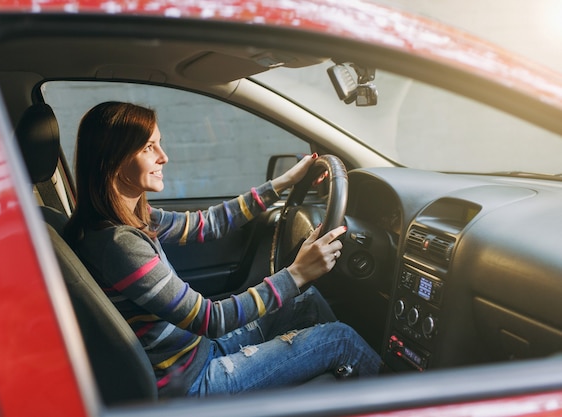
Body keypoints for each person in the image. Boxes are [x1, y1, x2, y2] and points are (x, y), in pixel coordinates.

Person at [64, 101, 382, 398]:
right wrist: (297, 273)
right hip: (192, 382)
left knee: (308, 302)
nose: (164, 156)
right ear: (112, 161)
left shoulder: (132, 219)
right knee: (341, 341)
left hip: (197, 352)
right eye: (149, 148)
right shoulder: (120, 245)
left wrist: (283, 183)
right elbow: (209, 318)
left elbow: (209, 223)